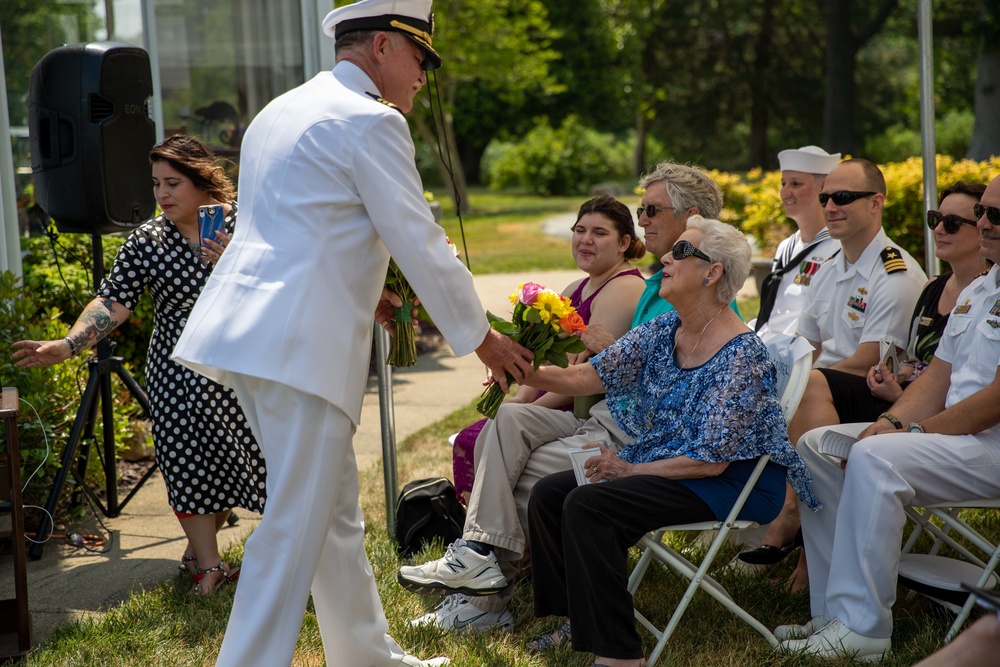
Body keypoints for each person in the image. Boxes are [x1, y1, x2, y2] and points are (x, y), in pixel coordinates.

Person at [170, 2, 533, 666]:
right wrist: (482, 338)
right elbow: (418, 238)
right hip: (299, 348)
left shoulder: (281, 109)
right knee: (292, 525)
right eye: (421, 59)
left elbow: (299, 226)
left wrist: (377, 294)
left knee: (331, 517)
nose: (424, 76)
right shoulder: (371, 123)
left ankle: (367, 655)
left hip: (252, 336)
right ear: (387, 47)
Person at [397, 163, 726, 634]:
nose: (644, 219)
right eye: (641, 209)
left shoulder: (686, 290)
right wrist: (511, 365)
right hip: (605, 419)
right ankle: (478, 561)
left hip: (637, 439)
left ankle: (486, 597)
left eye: (650, 210)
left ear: (690, 217)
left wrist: (576, 359)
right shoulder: (662, 284)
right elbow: (606, 370)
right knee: (506, 423)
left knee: (517, 472)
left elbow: (654, 380)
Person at [521, 218, 817, 667]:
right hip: (675, 463)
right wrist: (518, 367)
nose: (663, 258)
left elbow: (711, 462)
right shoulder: (666, 329)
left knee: (589, 504)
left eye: (680, 251)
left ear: (712, 272)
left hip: (730, 482)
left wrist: (630, 470)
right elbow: (588, 375)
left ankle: (619, 655)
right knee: (550, 494)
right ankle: (575, 622)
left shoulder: (742, 356)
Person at [11, 134, 264, 594]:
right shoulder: (148, 240)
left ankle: (230, 549)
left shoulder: (247, 223)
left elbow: (282, 282)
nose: (162, 195)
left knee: (249, 458)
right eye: (155, 184)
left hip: (244, 363)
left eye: (173, 183)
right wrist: (68, 344)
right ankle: (209, 567)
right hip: (178, 370)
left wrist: (235, 263)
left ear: (203, 181)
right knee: (185, 460)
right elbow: (114, 299)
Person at [776, 174, 1000, 661]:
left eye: (993, 216)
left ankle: (864, 629)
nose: (983, 223)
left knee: (876, 458)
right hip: (960, 439)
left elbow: (994, 401)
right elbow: (936, 379)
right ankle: (831, 614)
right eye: (981, 211)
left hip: (992, 445)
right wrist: (893, 423)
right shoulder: (980, 290)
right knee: (820, 445)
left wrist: (908, 434)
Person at [739, 159, 927, 580]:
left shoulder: (894, 272)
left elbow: (870, 362)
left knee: (808, 386)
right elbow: (805, 344)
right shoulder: (827, 267)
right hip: (822, 392)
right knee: (767, 389)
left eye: (843, 197)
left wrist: (796, 386)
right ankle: (762, 524)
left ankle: (793, 518)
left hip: (876, 396)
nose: (830, 206)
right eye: (826, 197)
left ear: (876, 203)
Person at [451, 195, 645, 504]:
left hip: (582, 413)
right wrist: (516, 399)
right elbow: (542, 361)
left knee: (478, 438)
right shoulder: (574, 289)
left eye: (599, 233)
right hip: (548, 403)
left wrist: (527, 408)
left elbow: (581, 380)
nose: (586, 240)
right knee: (477, 433)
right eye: (580, 230)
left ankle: (507, 545)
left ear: (624, 243)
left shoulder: (625, 288)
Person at [752, 145, 841, 337]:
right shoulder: (786, 247)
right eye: (783, 183)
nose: (785, 192)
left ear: (823, 187)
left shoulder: (839, 249)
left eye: (795, 184)